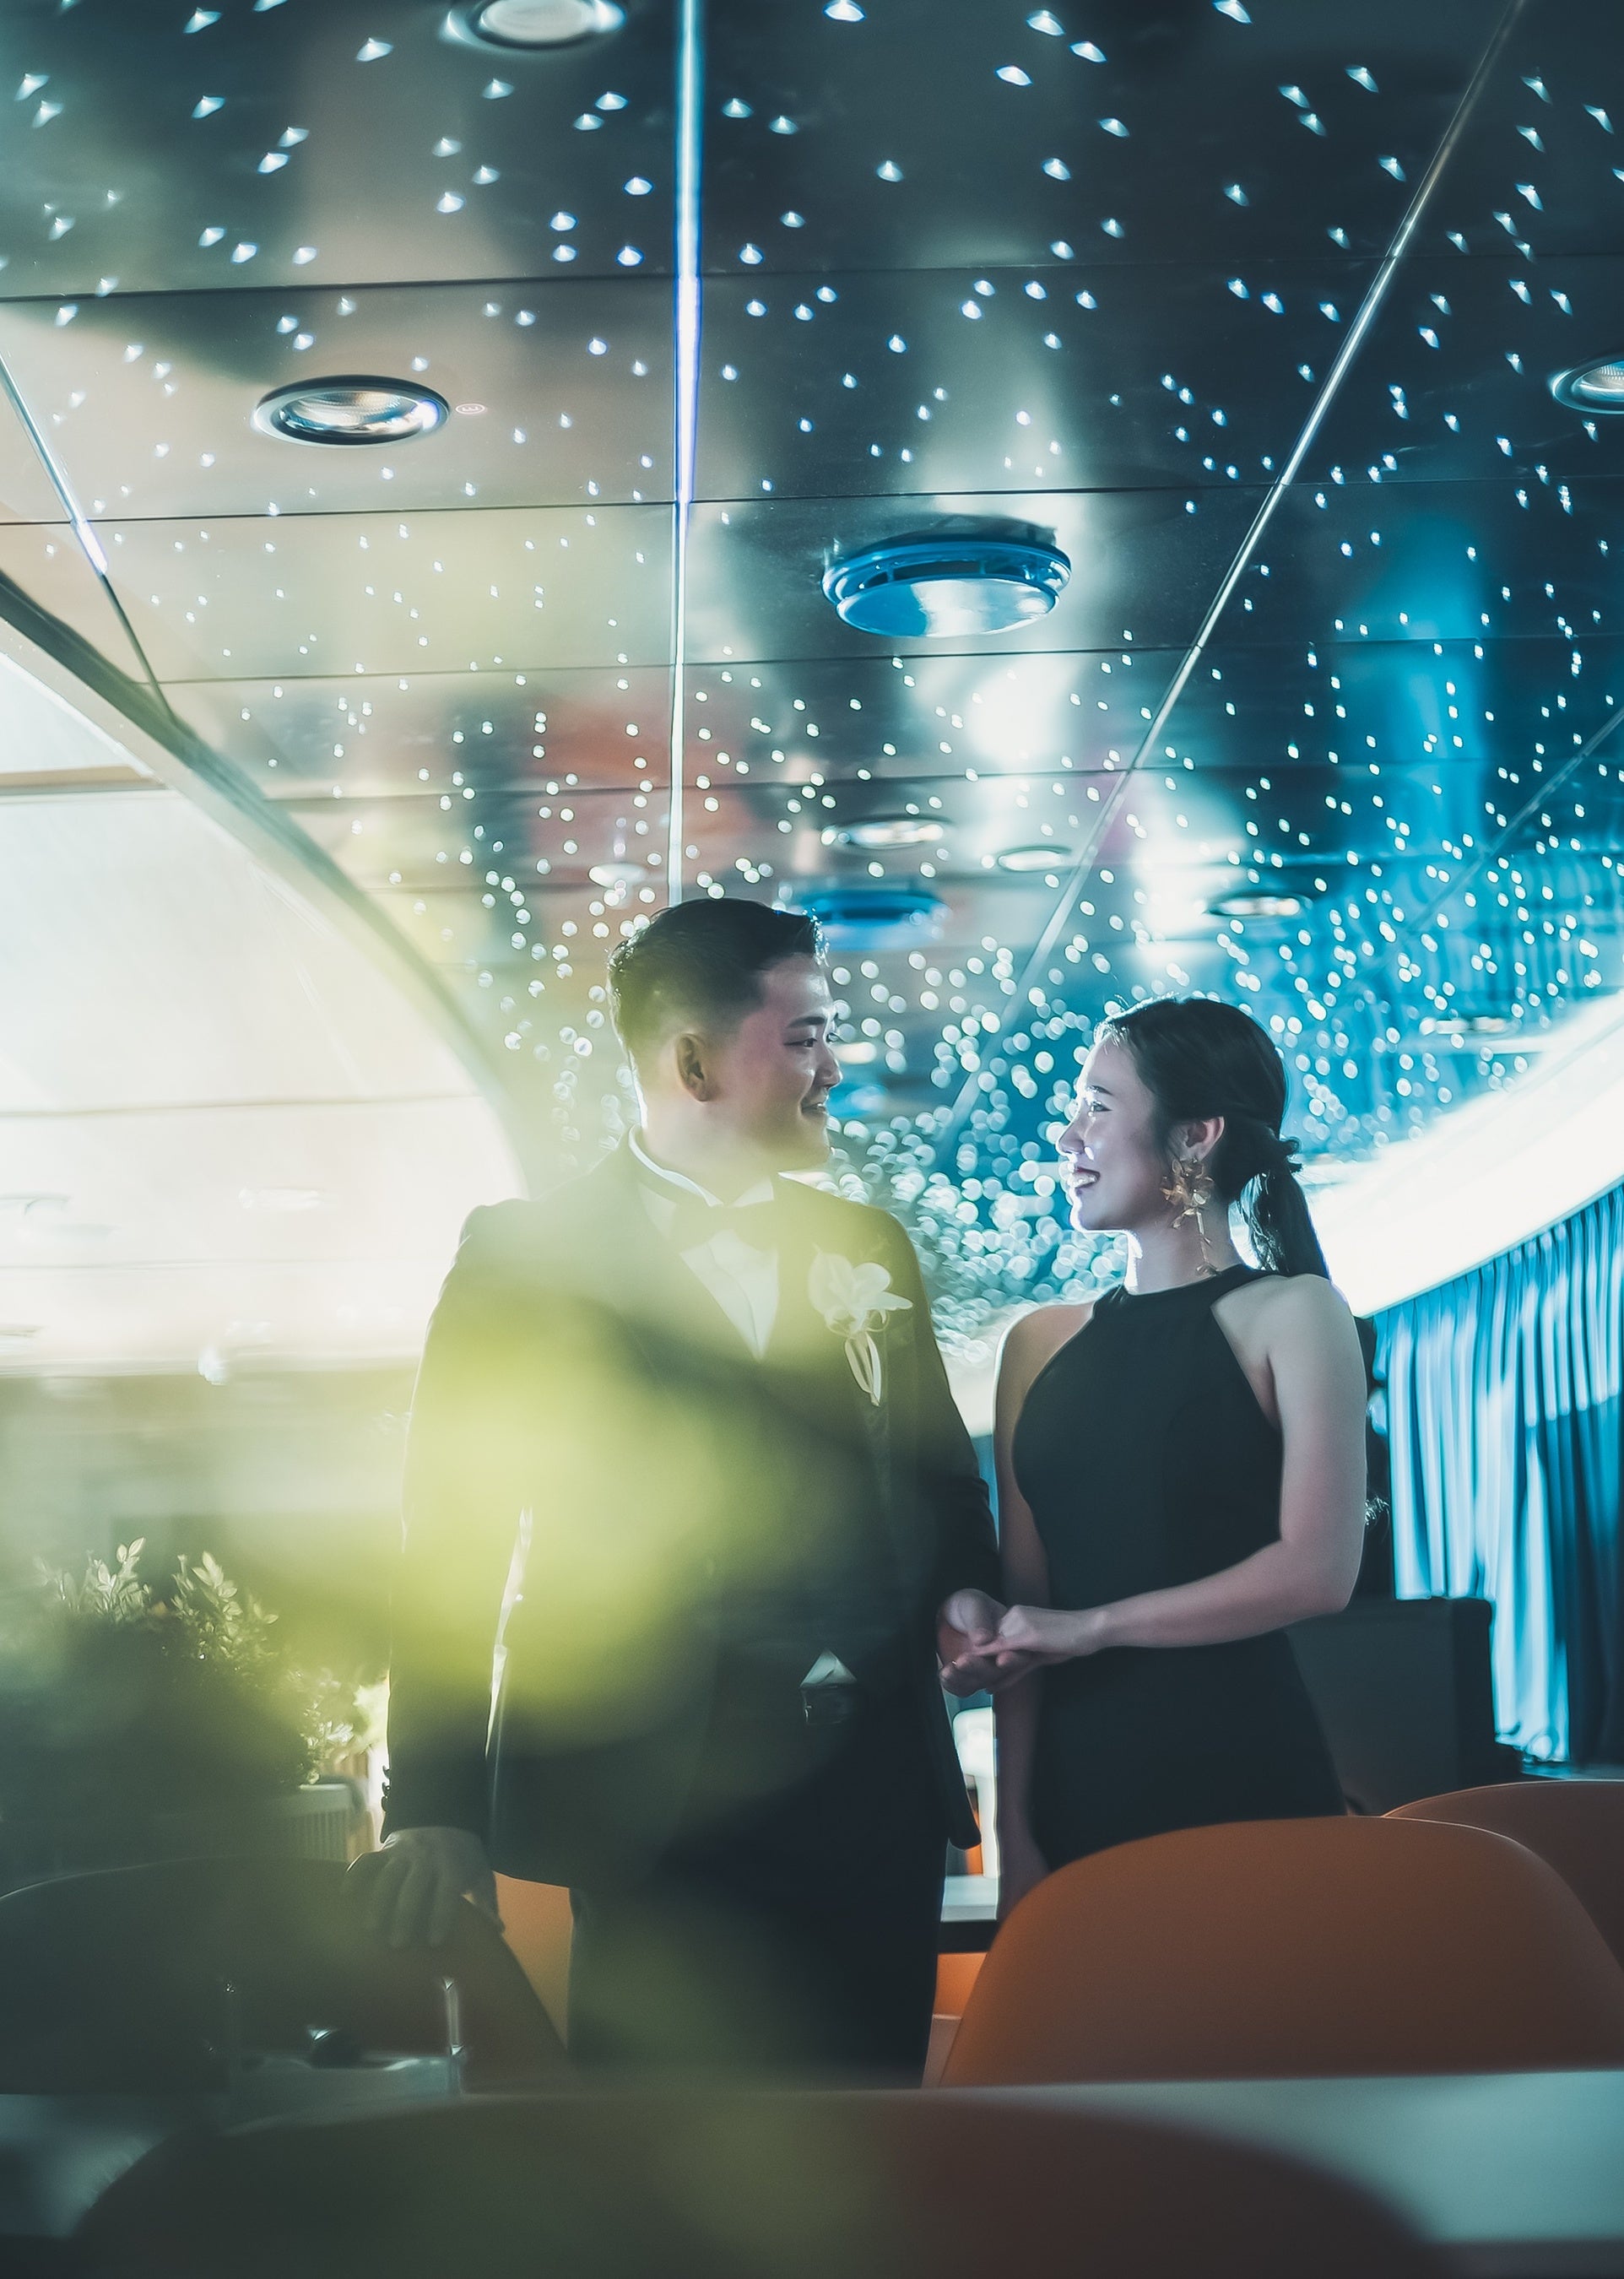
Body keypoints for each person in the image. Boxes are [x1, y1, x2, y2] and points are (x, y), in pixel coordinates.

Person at [353, 898, 1004, 2076]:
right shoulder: (525, 1260)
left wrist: (965, 1591)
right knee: (662, 2152)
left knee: (875, 2148)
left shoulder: (867, 1250)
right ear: (694, 1062)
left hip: (872, 1801)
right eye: (803, 1038)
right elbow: (451, 1539)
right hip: (646, 1802)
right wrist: (430, 1806)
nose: (833, 1070)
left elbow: (938, 1483)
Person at [943, 997, 1367, 1916]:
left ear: (1195, 1136)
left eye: (1097, 1106)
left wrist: (1093, 1628)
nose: (1067, 1135)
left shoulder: (1295, 1314)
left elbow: (1318, 1572)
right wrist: (1015, 1836)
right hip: (1073, 1797)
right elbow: (1026, 1606)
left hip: (1244, 1775)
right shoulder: (1037, 1344)